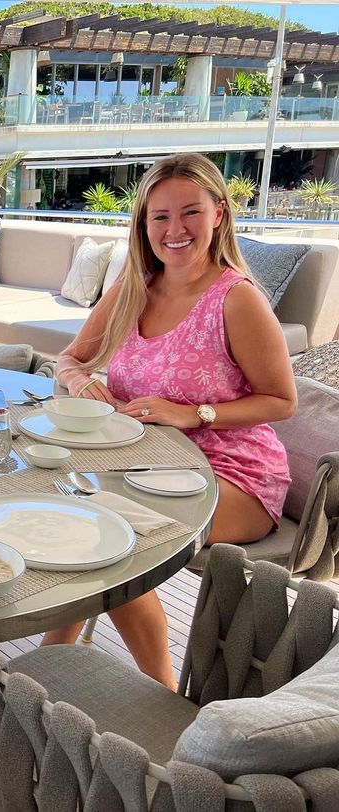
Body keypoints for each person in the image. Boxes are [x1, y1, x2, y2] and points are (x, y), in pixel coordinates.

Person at [43, 153, 297, 690]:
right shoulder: (134, 287)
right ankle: (46, 669)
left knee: (116, 537)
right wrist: (82, 381)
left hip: (234, 475)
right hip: (144, 464)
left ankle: (159, 695)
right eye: (160, 216)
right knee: (66, 502)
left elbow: (281, 400)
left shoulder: (237, 300)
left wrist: (192, 414)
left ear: (219, 214)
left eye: (190, 212)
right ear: (144, 224)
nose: (174, 229)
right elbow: (70, 358)